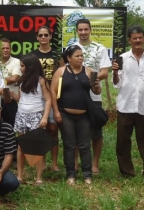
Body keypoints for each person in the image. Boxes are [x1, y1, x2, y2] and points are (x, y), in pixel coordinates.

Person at [51, 45, 101, 185]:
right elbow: (53, 92)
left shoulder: (88, 71)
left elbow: (96, 92)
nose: (80, 58)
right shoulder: (61, 72)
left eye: (81, 56)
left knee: (85, 145)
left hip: (84, 115)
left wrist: (96, 85)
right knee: (69, 145)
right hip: (65, 114)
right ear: (68, 58)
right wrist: (55, 111)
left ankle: (87, 175)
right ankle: (71, 175)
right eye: (77, 56)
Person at [72, 19, 111, 174]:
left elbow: (104, 72)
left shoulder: (99, 48)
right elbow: (66, 70)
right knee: (74, 132)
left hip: (94, 96)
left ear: (90, 30)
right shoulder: (71, 48)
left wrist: (89, 81)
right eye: (80, 30)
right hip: (75, 96)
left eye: (85, 29)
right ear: (77, 31)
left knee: (96, 132)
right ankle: (74, 163)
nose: (83, 32)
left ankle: (95, 164)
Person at [10, 54, 51, 185]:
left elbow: (48, 99)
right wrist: (12, 95)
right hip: (21, 114)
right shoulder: (21, 80)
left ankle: (38, 177)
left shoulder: (41, 81)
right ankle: (20, 176)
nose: (20, 68)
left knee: (36, 147)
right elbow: (21, 99)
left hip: (36, 115)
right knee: (21, 146)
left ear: (30, 67)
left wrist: (45, 117)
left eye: (22, 66)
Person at [112, 25, 144, 178]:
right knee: (123, 141)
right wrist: (115, 72)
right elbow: (116, 84)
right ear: (129, 40)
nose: (138, 40)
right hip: (125, 106)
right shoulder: (123, 58)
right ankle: (127, 172)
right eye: (135, 38)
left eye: (140, 37)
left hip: (143, 106)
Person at [31, 26, 64, 172]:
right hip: (38, 97)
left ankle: (55, 163)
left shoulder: (57, 54)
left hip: (54, 96)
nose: (43, 37)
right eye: (40, 35)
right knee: (41, 130)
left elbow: (63, 73)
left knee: (53, 129)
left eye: (46, 35)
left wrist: (59, 92)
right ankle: (42, 163)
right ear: (37, 37)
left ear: (51, 36)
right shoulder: (32, 55)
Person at [0, 38, 20, 125]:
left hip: (11, 101)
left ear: (10, 49)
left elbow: (14, 79)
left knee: (10, 128)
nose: (5, 50)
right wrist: (8, 79)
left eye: (7, 48)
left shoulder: (16, 62)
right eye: (3, 48)